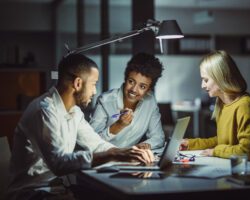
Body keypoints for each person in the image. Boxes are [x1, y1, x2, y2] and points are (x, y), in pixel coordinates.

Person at [6, 54, 153, 200]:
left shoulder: (75, 112)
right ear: (78, 83)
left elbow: (96, 145)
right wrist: (115, 154)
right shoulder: (44, 110)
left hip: (56, 189)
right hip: (31, 192)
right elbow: (59, 163)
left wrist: (128, 153)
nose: (95, 91)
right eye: (94, 84)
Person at [180, 50, 250, 164]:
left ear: (220, 78)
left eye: (206, 80)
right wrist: (191, 144)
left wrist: (215, 151)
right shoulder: (222, 104)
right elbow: (223, 141)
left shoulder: (245, 105)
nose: (202, 85)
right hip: (237, 167)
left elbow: (247, 151)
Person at [89, 52, 165, 150]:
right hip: (104, 159)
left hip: (130, 160)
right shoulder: (105, 101)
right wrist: (118, 125)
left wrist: (146, 145)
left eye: (142, 86)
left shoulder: (150, 102)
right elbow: (91, 143)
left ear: (148, 90)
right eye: (131, 81)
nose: (134, 89)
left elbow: (158, 137)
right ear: (125, 79)